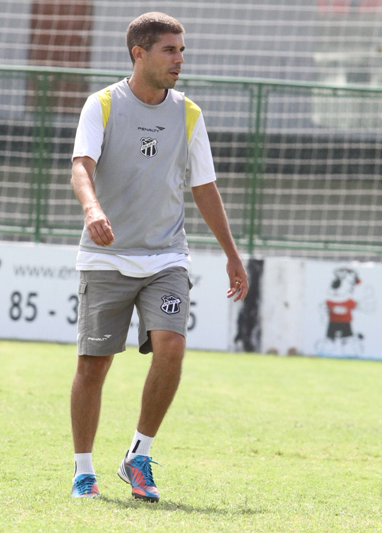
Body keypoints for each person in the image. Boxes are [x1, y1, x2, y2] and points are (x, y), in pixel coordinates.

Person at [68, 12, 249, 500]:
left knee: (171, 347)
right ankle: (84, 471)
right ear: (139, 53)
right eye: (170, 50)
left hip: (167, 256)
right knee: (93, 366)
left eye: (181, 50)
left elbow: (205, 187)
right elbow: (81, 166)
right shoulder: (102, 104)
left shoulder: (189, 113)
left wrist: (231, 254)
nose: (180, 59)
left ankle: (138, 455)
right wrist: (92, 209)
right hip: (106, 257)